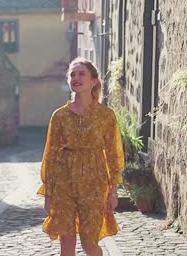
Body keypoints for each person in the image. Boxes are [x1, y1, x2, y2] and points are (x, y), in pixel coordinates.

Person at [37, 57, 125, 256]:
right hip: (63, 183)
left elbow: (114, 154)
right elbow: (50, 156)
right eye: (72, 74)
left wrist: (113, 191)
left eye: (81, 73)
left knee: (89, 243)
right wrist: (48, 194)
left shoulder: (105, 115)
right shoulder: (59, 116)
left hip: (95, 183)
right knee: (66, 245)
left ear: (94, 81)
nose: (75, 77)